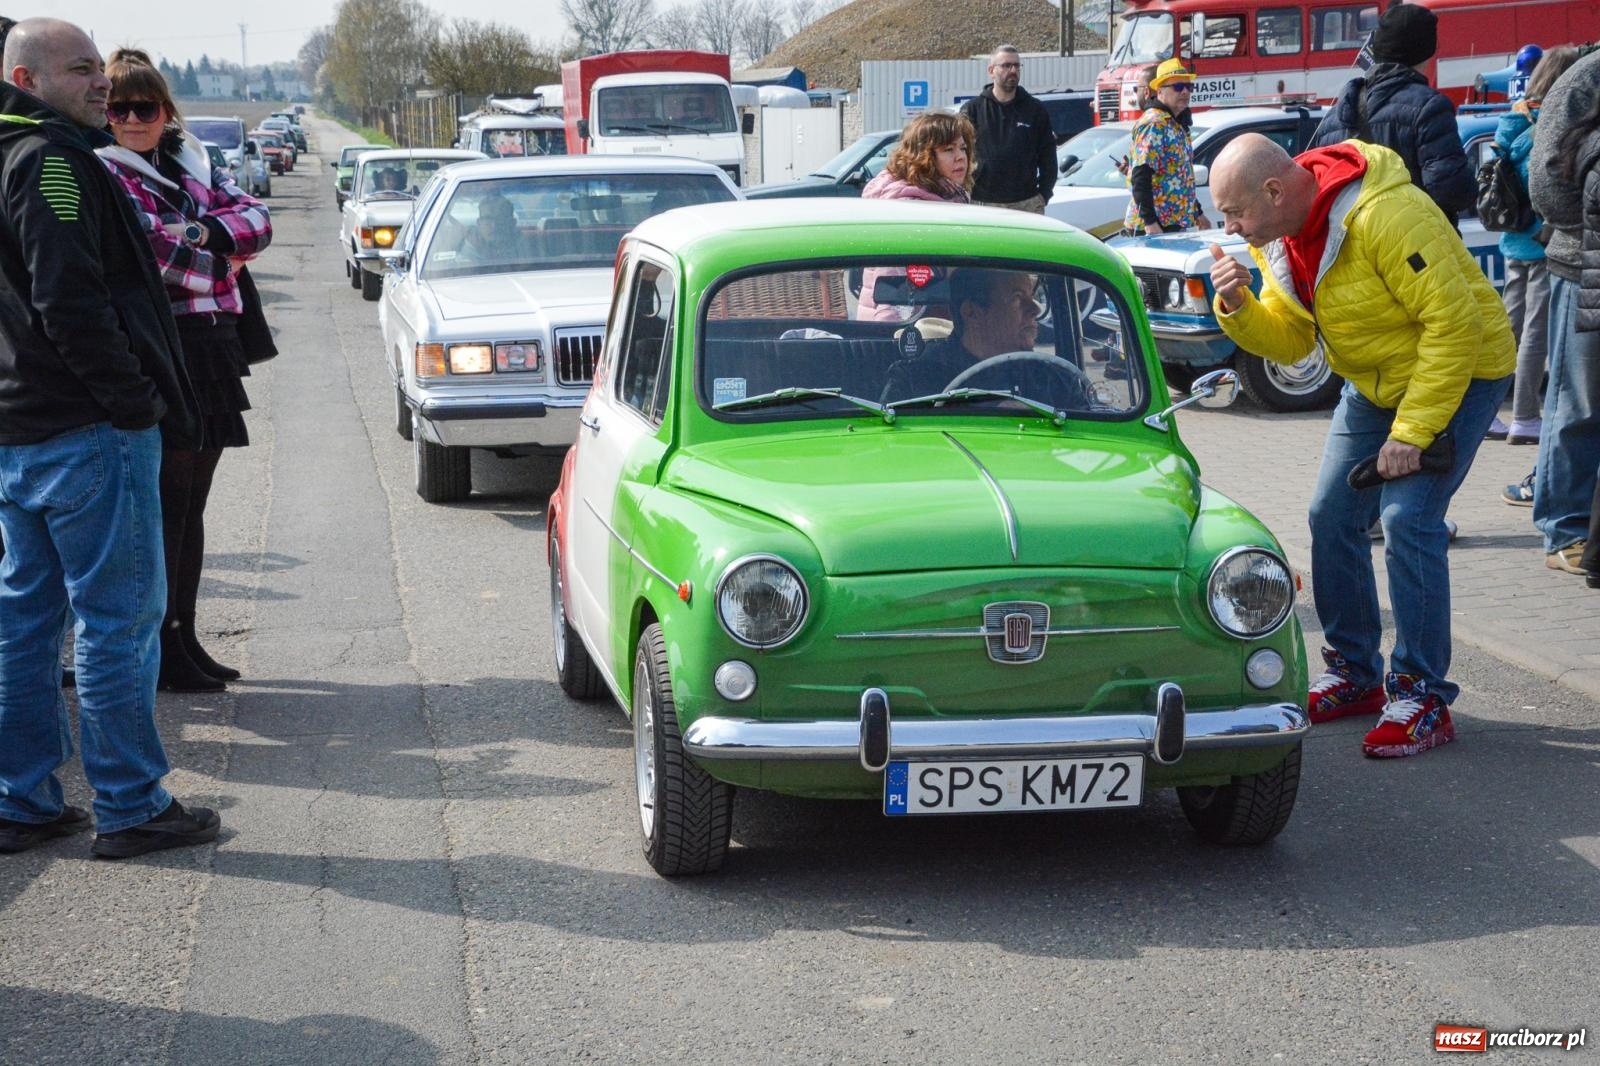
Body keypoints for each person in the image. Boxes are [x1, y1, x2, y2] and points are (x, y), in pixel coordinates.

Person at [1206, 133, 1513, 758]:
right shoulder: (1279, 235)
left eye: (1235, 212)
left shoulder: (1387, 214)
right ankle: (1354, 673)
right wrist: (1236, 304)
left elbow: (1456, 325)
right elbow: (1293, 340)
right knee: (1330, 515)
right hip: (1375, 383)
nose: (1231, 228)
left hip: (1462, 370)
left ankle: (1423, 692)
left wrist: (1411, 433)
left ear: (1273, 190)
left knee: (1408, 520)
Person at [0, 18, 219, 857]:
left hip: (21, 432)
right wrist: (133, 403)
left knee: (25, 624)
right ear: (26, 76)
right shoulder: (52, 162)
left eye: (101, 66)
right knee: (118, 621)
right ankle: (131, 803)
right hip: (82, 431)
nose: (102, 82)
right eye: (81, 69)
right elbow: (70, 302)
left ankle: (21, 801)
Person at [98, 48, 272, 692]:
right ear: (105, 114)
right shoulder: (105, 171)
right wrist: (218, 249)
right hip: (161, 342)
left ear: (166, 111)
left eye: (145, 107)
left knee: (193, 504)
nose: (132, 118)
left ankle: (186, 636)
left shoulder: (191, 159)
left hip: (213, 341)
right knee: (165, 502)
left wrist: (200, 234)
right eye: (119, 108)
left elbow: (257, 219)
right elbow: (147, 248)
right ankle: (164, 645)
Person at [1308, 2, 1476, 229]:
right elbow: (1452, 191)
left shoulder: (1333, 118)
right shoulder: (1430, 108)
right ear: (1427, 50)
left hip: (1352, 252)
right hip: (1417, 248)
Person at [1529, 45, 1600, 577]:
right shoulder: (1586, 75)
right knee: (1578, 404)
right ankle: (1565, 529)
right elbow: (1546, 190)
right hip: (1582, 263)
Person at [1486, 46, 1580, 447]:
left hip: (1512, 238)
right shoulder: (1554, 122)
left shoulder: (1513, 117)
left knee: (1509, 328)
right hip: (1542, 240)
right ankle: (1525, 415)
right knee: (1535, 334)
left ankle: (1489, 412)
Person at [879, 268, 1091, 411]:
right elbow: (895, 451)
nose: (1035, 309)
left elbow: (1085, 451)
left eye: (1032, 297)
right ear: (972, 313)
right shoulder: (915, 380)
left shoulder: (1055, 380)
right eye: (1017, 298)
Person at [857, 111, 974, 322]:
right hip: (905, 336)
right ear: (924, 157)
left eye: (963, 148)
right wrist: (895, 342)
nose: (960, 157)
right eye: (948, 149)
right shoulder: (911, 213)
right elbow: (895, 297)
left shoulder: (943, 201)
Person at [959, 45, 1056, 213]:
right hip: (982, 203)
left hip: (1027, 203)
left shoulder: (1035, 110)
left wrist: (1043, 195)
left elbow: (1048, 157)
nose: (1013, 70)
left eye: (1017, 66)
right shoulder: (972, 110)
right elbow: (960, 154)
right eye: (1006, 65)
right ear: (991, 70)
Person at [1122, 58, 1211, 236]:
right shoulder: (1155, 123)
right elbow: (1140, 176)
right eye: (1178, 87)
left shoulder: (1175, 124)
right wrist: (1150, 223)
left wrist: (1198, 212)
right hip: (1152, 227)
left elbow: (1181, 175)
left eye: (1188, 87)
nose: (1185, 91)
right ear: (1160, 91)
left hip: (1172, 223)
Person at [459, 194, 524, 264]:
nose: (494, 225)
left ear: (512, 223)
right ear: (479, 223)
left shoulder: (528, 251)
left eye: (501, 219)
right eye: (488, 219)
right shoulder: (464, 256)